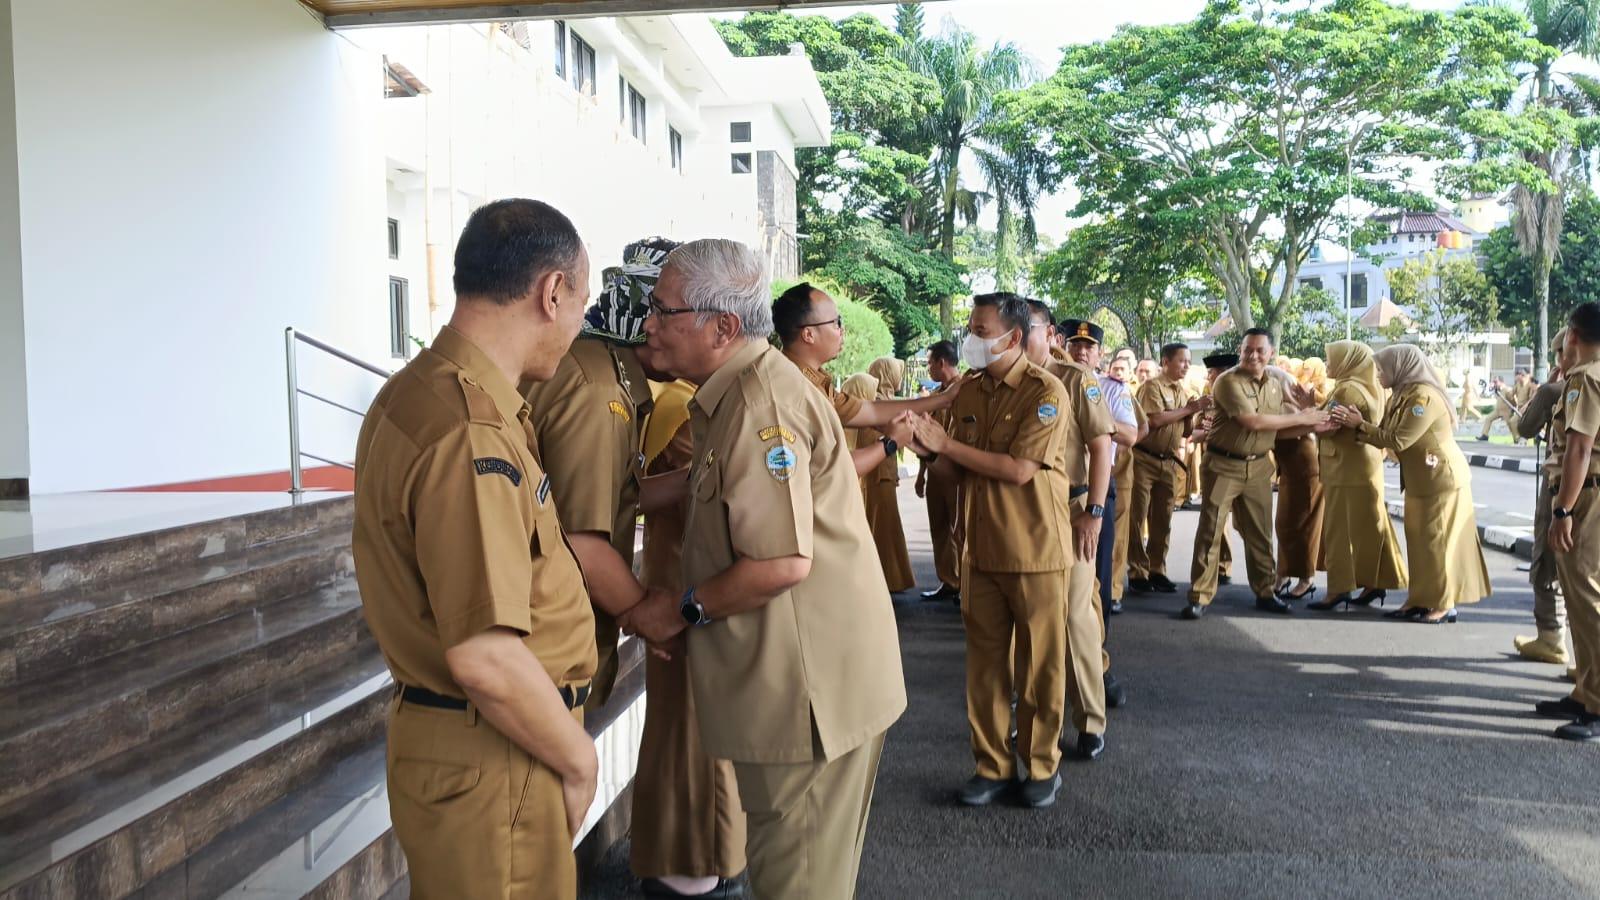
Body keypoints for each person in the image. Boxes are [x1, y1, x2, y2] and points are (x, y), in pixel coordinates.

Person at [633, 239, 906, 897]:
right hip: (789, 683)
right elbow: (704, 485)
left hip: (806, 694)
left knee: (799, 880)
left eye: (664, 310)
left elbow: (780, 561)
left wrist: (682, 608)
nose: (648, 323)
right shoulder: (734, 393)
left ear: (722, 327)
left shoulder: (761, 404)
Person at [353, 199, 598, 898]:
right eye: (580, 300)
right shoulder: (470, 431)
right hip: (500, 757)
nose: (577, 322)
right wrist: (579, 760)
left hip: (471, 747)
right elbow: (486, 656)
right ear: (552, 292)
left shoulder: (416, 394)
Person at [911, 293, 1112, 809]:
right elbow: (957, 469)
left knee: (1041, 670)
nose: (971, 339)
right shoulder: (970, 391)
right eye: (972, 329)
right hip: (981, 552)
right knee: (984, 670)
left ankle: (1042, 767)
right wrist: (925, 448)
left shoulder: (1048, 392)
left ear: (1014, 338)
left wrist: (945, 444)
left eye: (980, 330)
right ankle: (991, 765)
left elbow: (1019, 470)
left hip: (1036, 551)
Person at [525, 238, 685, 717]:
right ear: (650, 325)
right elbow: (582, 540)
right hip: (551, 647)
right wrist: (644, 612)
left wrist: (701, 477)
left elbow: (618, 495)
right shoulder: (600, 393)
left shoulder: (600, 370)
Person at [631, 343, 748, 899]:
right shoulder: (687, 408)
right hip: (688, 583)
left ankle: (695, 854)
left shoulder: (682, 402)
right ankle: (694, 859)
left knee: (690, 720)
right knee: (694, 725)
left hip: (681, 576)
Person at [1331, 344, 1491, 623]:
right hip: (1419, 479)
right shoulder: (1401, 394)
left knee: (1438, 542)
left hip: (1441, 479)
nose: (1378, 374)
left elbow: (1398, 440)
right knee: (1420, 544)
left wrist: (1359, 425)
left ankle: (1443, 605)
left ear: (1400, 368)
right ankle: (1419, 600)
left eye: (1382, 369)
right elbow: (1386, 430)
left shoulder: (1423, 398)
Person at [1183, 330, 1329, 620]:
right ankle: (1200, 595)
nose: (1253, 355)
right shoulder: (1227, 382)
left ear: (1270, 353)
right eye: (1247, 349)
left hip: (1260, 465)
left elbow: (1277, 430)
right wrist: (1303, 417)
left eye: (1259, 350)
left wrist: (1313, 424)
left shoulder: (1276, 384)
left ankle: (1265, 591)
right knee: (1211, 531)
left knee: (1260, 533)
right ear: (1240, 350)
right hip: (1223, 465)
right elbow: (1251, 421)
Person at [771, 282, 948, 476]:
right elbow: (829, 471)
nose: (842, 331)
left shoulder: (815, 381)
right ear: (808, 334)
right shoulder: (792, 389)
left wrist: (943, 399)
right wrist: (890, 443)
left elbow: (869, 410)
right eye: (836, 322)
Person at [1050, 316, 1133, 712]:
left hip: (1094, 493)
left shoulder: (1107, 389)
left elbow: (1131, 434)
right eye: (1075, 344)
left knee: (1094, 582)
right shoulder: (1048, 382)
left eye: (1089, 347)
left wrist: (1091, 412)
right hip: (1053, 495)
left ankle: (1097, 665)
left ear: (1100, 353)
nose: (1081, 352)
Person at [1306, 341, 1408, 612]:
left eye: (1331, 359)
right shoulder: (1368, 386)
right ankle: (1374, 581)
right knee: (1368, 527)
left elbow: (1326, 428)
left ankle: (1339, 589)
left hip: (1344, 468)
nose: (1327, 365)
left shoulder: (1347, 390)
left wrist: (1304, 414)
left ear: (1347, 361)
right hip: (1363, 465)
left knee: (1339, 530)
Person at [1542, 302, 1600, 740]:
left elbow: (1579, 449)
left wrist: (1562, 510)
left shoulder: (1585, 379)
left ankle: (1596, 703)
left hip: (1587, 498)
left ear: (1574, 336)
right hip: (1590, 493)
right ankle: (1585, 690)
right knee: (1581, 600)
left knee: (1587, 600)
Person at [1514, 330, 1575, 667]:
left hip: (1559, 487)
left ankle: (1551, 637)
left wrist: (1545, 391)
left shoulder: (1558, 390)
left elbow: (1524, 427)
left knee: (1547, 561)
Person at [1128, 343, 1209, 595]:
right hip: (1144, 458)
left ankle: (1157, 569)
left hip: (1169, 461)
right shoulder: (1152, 387)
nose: (1186, 365)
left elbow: (1184, 432)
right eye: (1181, 361)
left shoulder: (1182, 391)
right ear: (1166, 361)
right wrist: (1189, 410)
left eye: (1187, 361)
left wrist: (1195, 417)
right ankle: (1137, 571)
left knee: (1163, 519)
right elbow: (1153, 420)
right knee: (1137, 517)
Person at [858, 359, 916, 593]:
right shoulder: (878, 404)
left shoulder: (882, 401)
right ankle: (888, 579)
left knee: (884, 525)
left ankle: (889, 578)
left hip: (882, 472)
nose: (900, 378)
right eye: (897, 372)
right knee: (885, 526)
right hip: (878, 473)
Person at [1273, 356, 1328, 602]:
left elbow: (1293, 429)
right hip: (1288, 468)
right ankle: (1283, 573)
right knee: (1284, 523)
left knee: (1307, 525)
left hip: (1306, 468)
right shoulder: (1276, 402)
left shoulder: (1292, 400)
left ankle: (1306, 578)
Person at [916, 341, 964, 603]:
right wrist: (922, 474)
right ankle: (949, 581)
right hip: (934, 468)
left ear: (942, 363)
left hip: (956, 470)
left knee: (960, 529)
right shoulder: (938, 395)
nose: (929, 368)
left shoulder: (965, 390)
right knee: (940, 527)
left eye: (930, 362)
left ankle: (967, 584)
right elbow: (926, 436)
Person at [1104, 349, 1147, 615]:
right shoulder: (1094, 385)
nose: (1118, 373)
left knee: (1118, 533)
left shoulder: (1124, 393)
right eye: (1115, 369)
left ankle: (1114, 590)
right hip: (1092, 467)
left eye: (1123, 370)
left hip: (1119, 469)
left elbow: (1141, 428)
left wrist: (1122, 446)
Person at [1479, 374, 1519, 441]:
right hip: (1498, 411)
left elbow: (1513, 400)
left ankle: (1516, 439)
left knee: (1510, 425)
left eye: (1496, 382)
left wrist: (1513, 409)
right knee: (1488, 419)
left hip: (1506, 411)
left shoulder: (1507, 389)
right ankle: (1484, 435)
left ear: (1501, 382)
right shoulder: (1497, 390)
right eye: (1494, 382)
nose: (1494, 383)